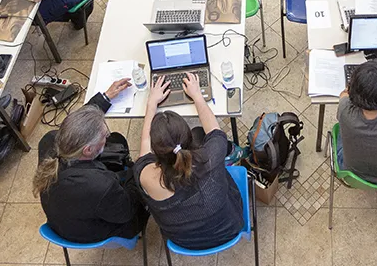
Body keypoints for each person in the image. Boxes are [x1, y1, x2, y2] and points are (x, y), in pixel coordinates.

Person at [135, 74, 244, 250]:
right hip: (228, 230)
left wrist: (151, 104)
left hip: (183, 242)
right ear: (187, 138)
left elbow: (144, 144)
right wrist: (197, 96)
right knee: (202, 133)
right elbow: (215, 132)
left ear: (156, 151)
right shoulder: (211, 157)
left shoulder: (144, 176)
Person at [34, 98, 148, 243]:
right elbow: (127, 211)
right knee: (145, 183)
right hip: (93, 232)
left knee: (116, 141)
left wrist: (105, 97)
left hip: (66, 222)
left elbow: (73, 125)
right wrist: (138, 168)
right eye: (104, 135)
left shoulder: (49, 140)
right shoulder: (100, 185)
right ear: (88, 150)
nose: (107, 137)